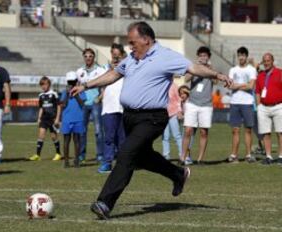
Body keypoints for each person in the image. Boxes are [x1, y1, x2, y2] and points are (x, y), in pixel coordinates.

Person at [71, 21, 232, 219]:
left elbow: (194, 68)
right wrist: (86, 85)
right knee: (142, 156)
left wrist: (217, 74)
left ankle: (105, 202)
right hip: (129, 116)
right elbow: (113, 74)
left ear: (146, 39)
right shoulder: (131, 58)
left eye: (133, 42)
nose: (130, 46)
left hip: (152, 117)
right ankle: (178, 174)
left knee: (126, 154)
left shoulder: (165, 56)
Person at [181, 46, 216, 165]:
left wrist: (210, 69)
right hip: (192, 103)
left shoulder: (211, 69)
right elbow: (186, 79)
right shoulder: (193, 67)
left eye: (205, 55)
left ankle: (200, 159)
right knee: (187, 130)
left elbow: (216, 81)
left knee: (203, 132)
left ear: (209, 57)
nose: (203, 58)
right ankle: (182, 157)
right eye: (201, 55)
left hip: (206, 105)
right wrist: (195, 68)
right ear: (198, 57)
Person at [99, 43, 126, 173]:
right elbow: (99, 81)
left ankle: (122, 164)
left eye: (118, 55)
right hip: (109, 108)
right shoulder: (104, 68)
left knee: (122, 139)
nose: (115, 58)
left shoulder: (127, 68)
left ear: (122, 55)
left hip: (123, 108)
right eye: (113, 55)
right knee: (109, 137)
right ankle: (107, 163)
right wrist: (111, 69)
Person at [227, 47, 257, 163]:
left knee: (248, 130)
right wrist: (244, 84)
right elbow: (230, 86)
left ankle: (248, 155)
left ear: (246, 56)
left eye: (243, 55)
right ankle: (234, 155)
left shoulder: (251, 70)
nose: (241, 57)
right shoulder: (233, 70)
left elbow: (251, 86)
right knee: (235, 130)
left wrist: (237, 85)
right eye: (239, 55)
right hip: (235, 102)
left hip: (247, 102)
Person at [76, 48, 106, 163]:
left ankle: (100, 155)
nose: (88, 58)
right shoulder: (79, 71)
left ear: (94, 58)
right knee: (82, 131)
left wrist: (99, 98)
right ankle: (81, 155)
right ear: (83, 57)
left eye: (90, 56)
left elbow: (105, 86)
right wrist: (79, 100)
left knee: (98, 131)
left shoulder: (100, 70)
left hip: (95, 104)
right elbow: (77, 86)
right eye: (86, 56)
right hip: (83, 104)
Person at [255, 53, 282, 165]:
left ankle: (281, 156)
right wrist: (258, 105)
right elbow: (257, 91)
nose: (266, 63)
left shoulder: (280, 73)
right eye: (264, 61)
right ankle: (268, 156)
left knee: (280, 132)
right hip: (264, 107)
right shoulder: (260, 75)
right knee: (266, 133)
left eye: (268, 60)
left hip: (278, 106)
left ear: (272, 61)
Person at [29, 76, 62, 161]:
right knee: (41, 135)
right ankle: (37, 155)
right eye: (42, 85)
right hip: (44, 118)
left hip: (52, 119)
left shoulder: (54, 94)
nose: (43, 86)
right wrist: (39, 118)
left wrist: (57, 118)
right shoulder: (41, 95)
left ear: (49, 85)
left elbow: (59, 106)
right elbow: (41, 108)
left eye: (45, 84)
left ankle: (58, 153)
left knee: (53, 137)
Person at [60, 71, 86, 168]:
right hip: (67, 119)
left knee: (77, 140)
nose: (71, 84)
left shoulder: (81, 91)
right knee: (66, 140)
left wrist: (76, 93)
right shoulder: (64, 92)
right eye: (69, 82)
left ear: (76, 81)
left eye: (73, 82)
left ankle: (76, 160)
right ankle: (66, 161)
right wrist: (67, 94)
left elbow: (82, 104)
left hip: (78, 118)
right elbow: (63, 104)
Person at [162, 81, 183, 160]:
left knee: (177, 135)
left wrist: (179, 111)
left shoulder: (174, 86)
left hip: (173, 113)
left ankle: (182, 154)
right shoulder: (160, 84)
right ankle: (166, 155)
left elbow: (178, 100)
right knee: (165, 136)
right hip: (163, 114)